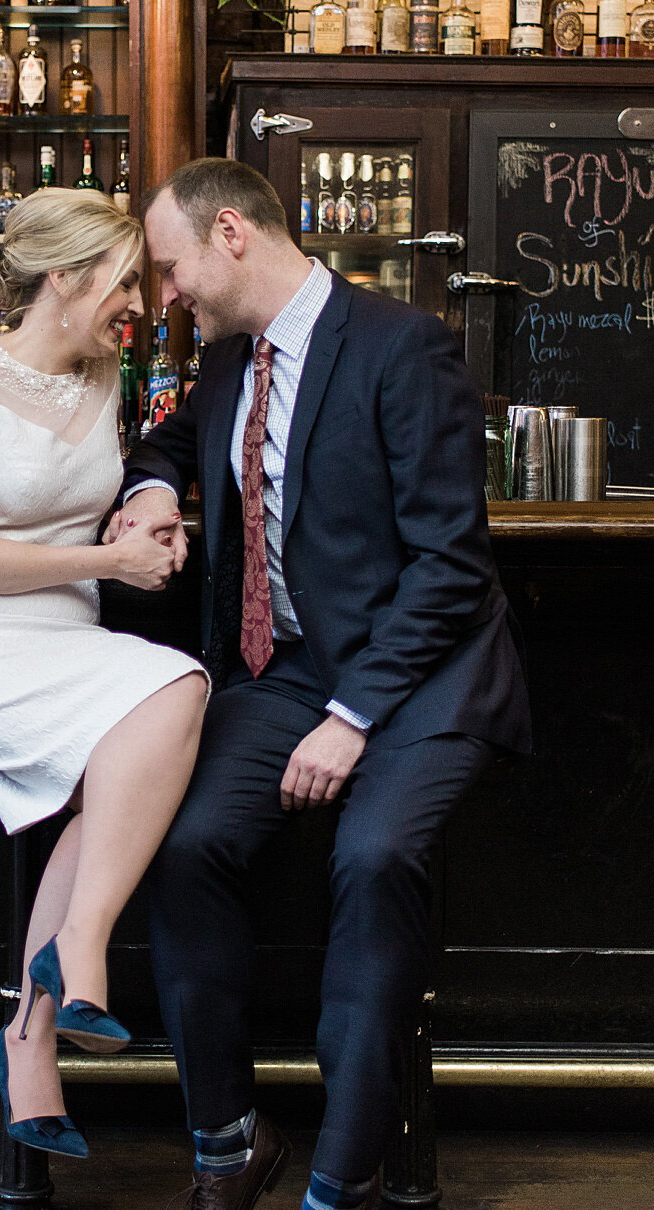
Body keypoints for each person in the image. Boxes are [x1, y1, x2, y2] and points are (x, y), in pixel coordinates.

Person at [111, 158, 531, 1210]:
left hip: (423, 678)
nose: (168, 294)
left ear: (233, 235)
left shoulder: (401, 346)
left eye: (171, 268)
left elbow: (450, 563)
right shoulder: (225, 367)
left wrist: (353, 716)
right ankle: (227, 1141)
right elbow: (164, 444)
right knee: (182, 839)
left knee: (377, 854)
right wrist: (156, 487)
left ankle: (342, 1177)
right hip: (286, 673)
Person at [0, 187, 208, 1160]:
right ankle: (78, 957)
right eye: (121, 282)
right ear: (61, 278)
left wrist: (146, 509)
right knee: (173, 691)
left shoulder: (105, 376)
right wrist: (113, 563)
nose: (140, 306)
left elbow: (132, 472)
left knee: (159, 714)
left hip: (64, 642)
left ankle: (29, 1039)